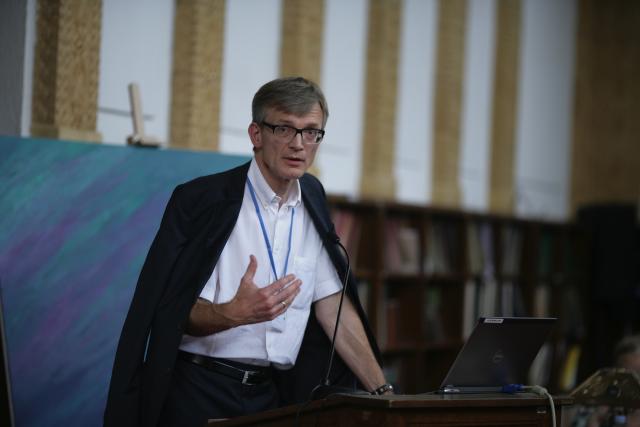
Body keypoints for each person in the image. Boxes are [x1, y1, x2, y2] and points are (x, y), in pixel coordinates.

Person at [104, 77, 391, 427]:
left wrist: (384, 395)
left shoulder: (313, 198)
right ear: (256, 134)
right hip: (198, 389)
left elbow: (333, 310)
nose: (299, 144)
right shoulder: (203, 200)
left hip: (271, 395)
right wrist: (234, 313)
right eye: (284, 129)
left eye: (311, 131)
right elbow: (173, 308)